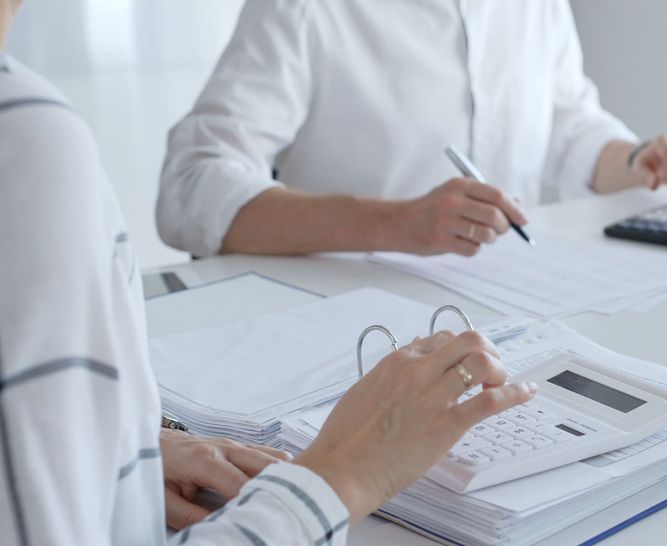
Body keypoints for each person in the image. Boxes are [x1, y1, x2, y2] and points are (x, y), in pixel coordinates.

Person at [0, 2, 535, 543]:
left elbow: (572, 123)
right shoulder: (22, 138)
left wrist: (121, 443)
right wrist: (343, 477)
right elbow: (194, 187)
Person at [158, 0, 667, 258]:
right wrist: (398, 223)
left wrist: (636, 159)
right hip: (346, 325)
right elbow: (191, 187)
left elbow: (565, 123)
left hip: (506, 315)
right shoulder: (303, 8)